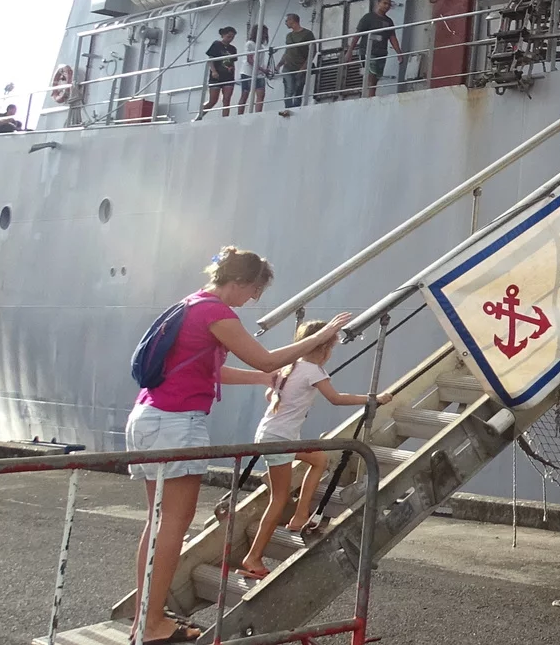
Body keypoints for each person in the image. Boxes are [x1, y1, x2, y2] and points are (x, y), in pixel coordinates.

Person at [126, 246, 349, 645]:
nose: (252, 301)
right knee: (173, 525)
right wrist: (321, 336)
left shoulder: (192, 305)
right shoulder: (217, 313)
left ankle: (148, 617)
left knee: (158, 524)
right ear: (242, 282)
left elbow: (214, 369)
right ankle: (150, 624)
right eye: (255, 292)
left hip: (149, 418)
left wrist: (262, 381)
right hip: (177, 422)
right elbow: (265, 359)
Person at [238, 319, 377, 578]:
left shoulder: (290, 366)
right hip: (282, 439)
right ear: (323, 348)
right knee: (278, 499)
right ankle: (253, 558)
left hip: (271, 434)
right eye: (331, 348)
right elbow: (336, 399)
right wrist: (372, 399)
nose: (331, 354)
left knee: (319, 460)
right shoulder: (314, 371)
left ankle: (300, 515)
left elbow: (272, 395)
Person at [350, 0, 401, 98]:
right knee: (371, 76)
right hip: (367, 51)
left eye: (389, 4)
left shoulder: (389, 21)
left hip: (381, 52)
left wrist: (399, 53)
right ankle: (370, 98)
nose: (387, 6)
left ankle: (371, 96)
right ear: (378, 3)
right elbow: (358, 34)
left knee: (377, 77)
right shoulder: (368, 18)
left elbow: (392, 37)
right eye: (384, 3)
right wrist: (350, 51)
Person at [198, 27, 238, 119]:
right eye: (229, 36)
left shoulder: (233, 49)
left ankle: (225, 118)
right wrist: (214, 71)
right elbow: (211, 59)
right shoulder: (216, 44)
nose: (230, 39)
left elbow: (232, 62)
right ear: (223, 35)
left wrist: (233, 74)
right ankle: (199, 116)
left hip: (228, 76)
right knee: (213, 100)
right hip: (217, 76)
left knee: (227, 100)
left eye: (232, 37)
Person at [280, 13, 314, 109]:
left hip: (300, 66)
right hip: (288, 67)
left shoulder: (307, 34)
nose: (286, 23)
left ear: (292, 20)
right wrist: (279, 65)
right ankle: (288, 109)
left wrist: (303, 67)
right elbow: (287, 52)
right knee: (289, 89)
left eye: (287, 21)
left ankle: (296, 109)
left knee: (298, 89)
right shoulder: (288, 36)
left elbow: (312, 51)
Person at [236, 25, 271, 115]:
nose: (265, 35)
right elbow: (250, 60)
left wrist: (262, 70)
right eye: (264, 32)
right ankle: (240, 115)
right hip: (248, 72)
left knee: (261, 94)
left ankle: (257, 114)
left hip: (258, 73)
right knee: (245, 94)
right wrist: (263, 70)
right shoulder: (250, 44)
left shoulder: (260, 46)